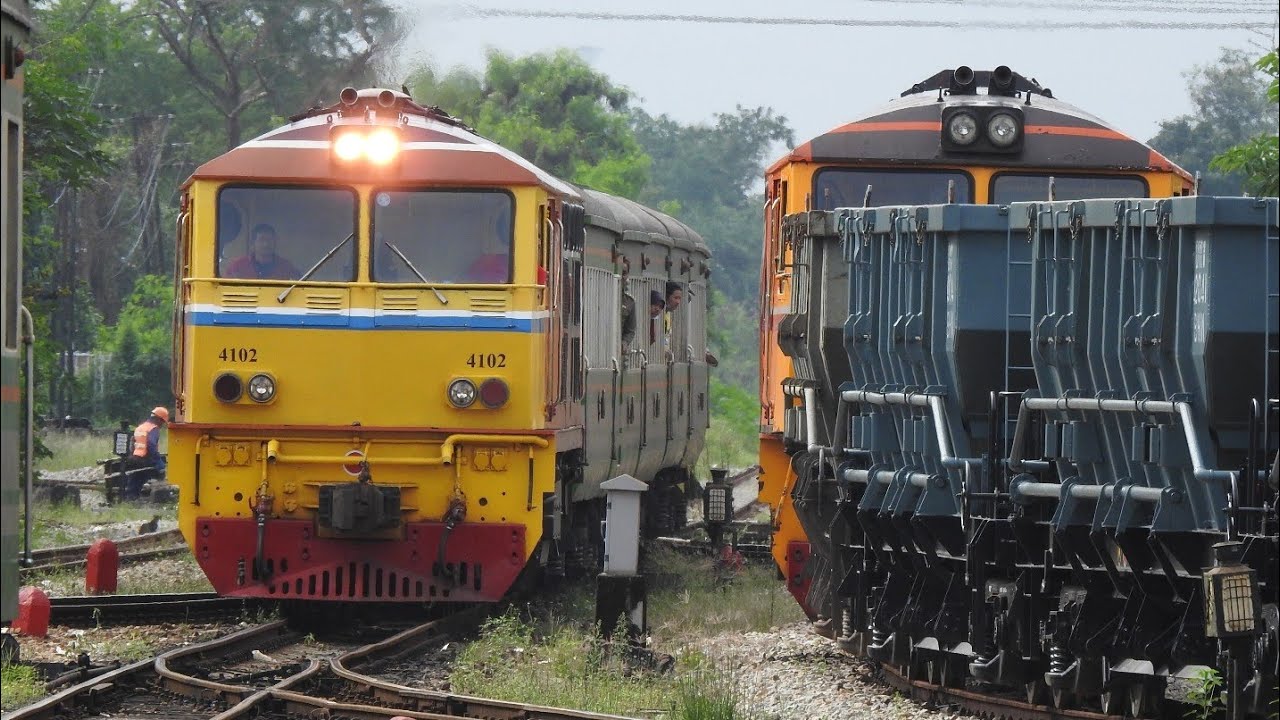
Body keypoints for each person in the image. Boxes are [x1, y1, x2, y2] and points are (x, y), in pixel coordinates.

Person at [225, 224, 302, 280]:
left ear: (275, 242)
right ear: (253, 243)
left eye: (270, 240)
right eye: (261, 240)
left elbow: (299, 286)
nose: (266, 244)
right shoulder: (237, 266)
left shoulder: (286, 267)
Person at [128, 407, 168, 500]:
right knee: (160, 470)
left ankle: (131, 498)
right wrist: (157, 460)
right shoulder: (153, 429)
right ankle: (160, 495)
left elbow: (133, 441)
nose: (162, 424)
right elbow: (151, 444)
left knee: (136, 479)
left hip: (135, 457)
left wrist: (132, 455)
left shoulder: (140, 427)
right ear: (158, 419)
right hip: (145, 458)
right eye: (162, 421)